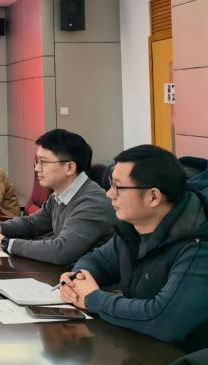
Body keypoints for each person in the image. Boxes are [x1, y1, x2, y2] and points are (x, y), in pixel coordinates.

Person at [60, 145, 208, 351]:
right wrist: (77, 279)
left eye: (118, 187)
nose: (109, 194)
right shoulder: (133, 228)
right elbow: (97, 260)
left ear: (153, 197)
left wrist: (92, 298)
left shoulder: (198, 245)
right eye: (111, 184)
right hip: (143, 347)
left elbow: (163, 320)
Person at [0, 129, 116, 265]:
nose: (37, 168)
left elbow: (62, 251)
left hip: (86, 278)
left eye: (44, 162)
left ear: (70, 168)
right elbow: (33, 224)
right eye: (37, 162)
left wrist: (5, 243)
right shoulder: (60, 194)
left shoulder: (93, 202)